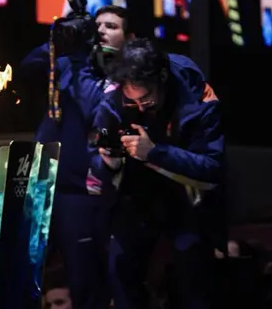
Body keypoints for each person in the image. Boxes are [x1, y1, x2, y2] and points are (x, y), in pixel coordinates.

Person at [90, 38, 225, 309]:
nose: (140, 108)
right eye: (133, 102)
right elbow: (95, 154)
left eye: (147, 100)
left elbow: (213, 168)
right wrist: (108, 164)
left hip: (188, 197)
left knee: (194, 281)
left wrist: (154, 152)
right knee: (121, 271)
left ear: (162, 77)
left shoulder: (199, 95)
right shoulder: (113, 96)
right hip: (136, 195)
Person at [17, 5, 132, 309]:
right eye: (98, 25)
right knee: (19, 276)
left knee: (85, 284)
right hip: (41, 183)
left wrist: (81, 59)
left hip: (81, 194)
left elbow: (93, 108)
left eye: (112, 26)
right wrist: (60, 38)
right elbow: (28, 67)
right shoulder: (71, 63)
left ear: (129, 37)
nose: (102, 31)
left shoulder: (125, 78)